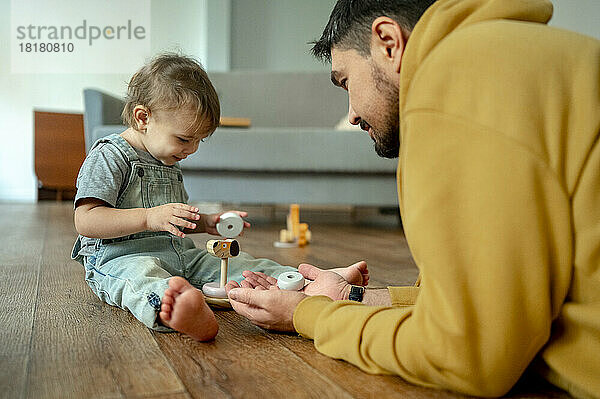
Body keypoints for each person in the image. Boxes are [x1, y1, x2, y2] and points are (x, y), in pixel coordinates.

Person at [225, 0, 600, 397]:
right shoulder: (523, 58)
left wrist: (307, 314)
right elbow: (494, 300)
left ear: (388, 43)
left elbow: (467, 354)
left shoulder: (450, 83)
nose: (351, 115)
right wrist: (351, 297)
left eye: (346, 81)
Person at [70, 53, 302, 341]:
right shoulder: (109, 156)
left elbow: (176, 219)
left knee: (240, 267)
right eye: (184, 139)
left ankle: (303, 283)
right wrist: (148, 217)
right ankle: (184, 312)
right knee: (143, 278)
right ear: (143, 118)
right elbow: (86, 220)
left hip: (179, 254)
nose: (192, 149)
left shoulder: (166, 158)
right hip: (121, 258)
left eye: (198, 141)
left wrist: (205, 223)